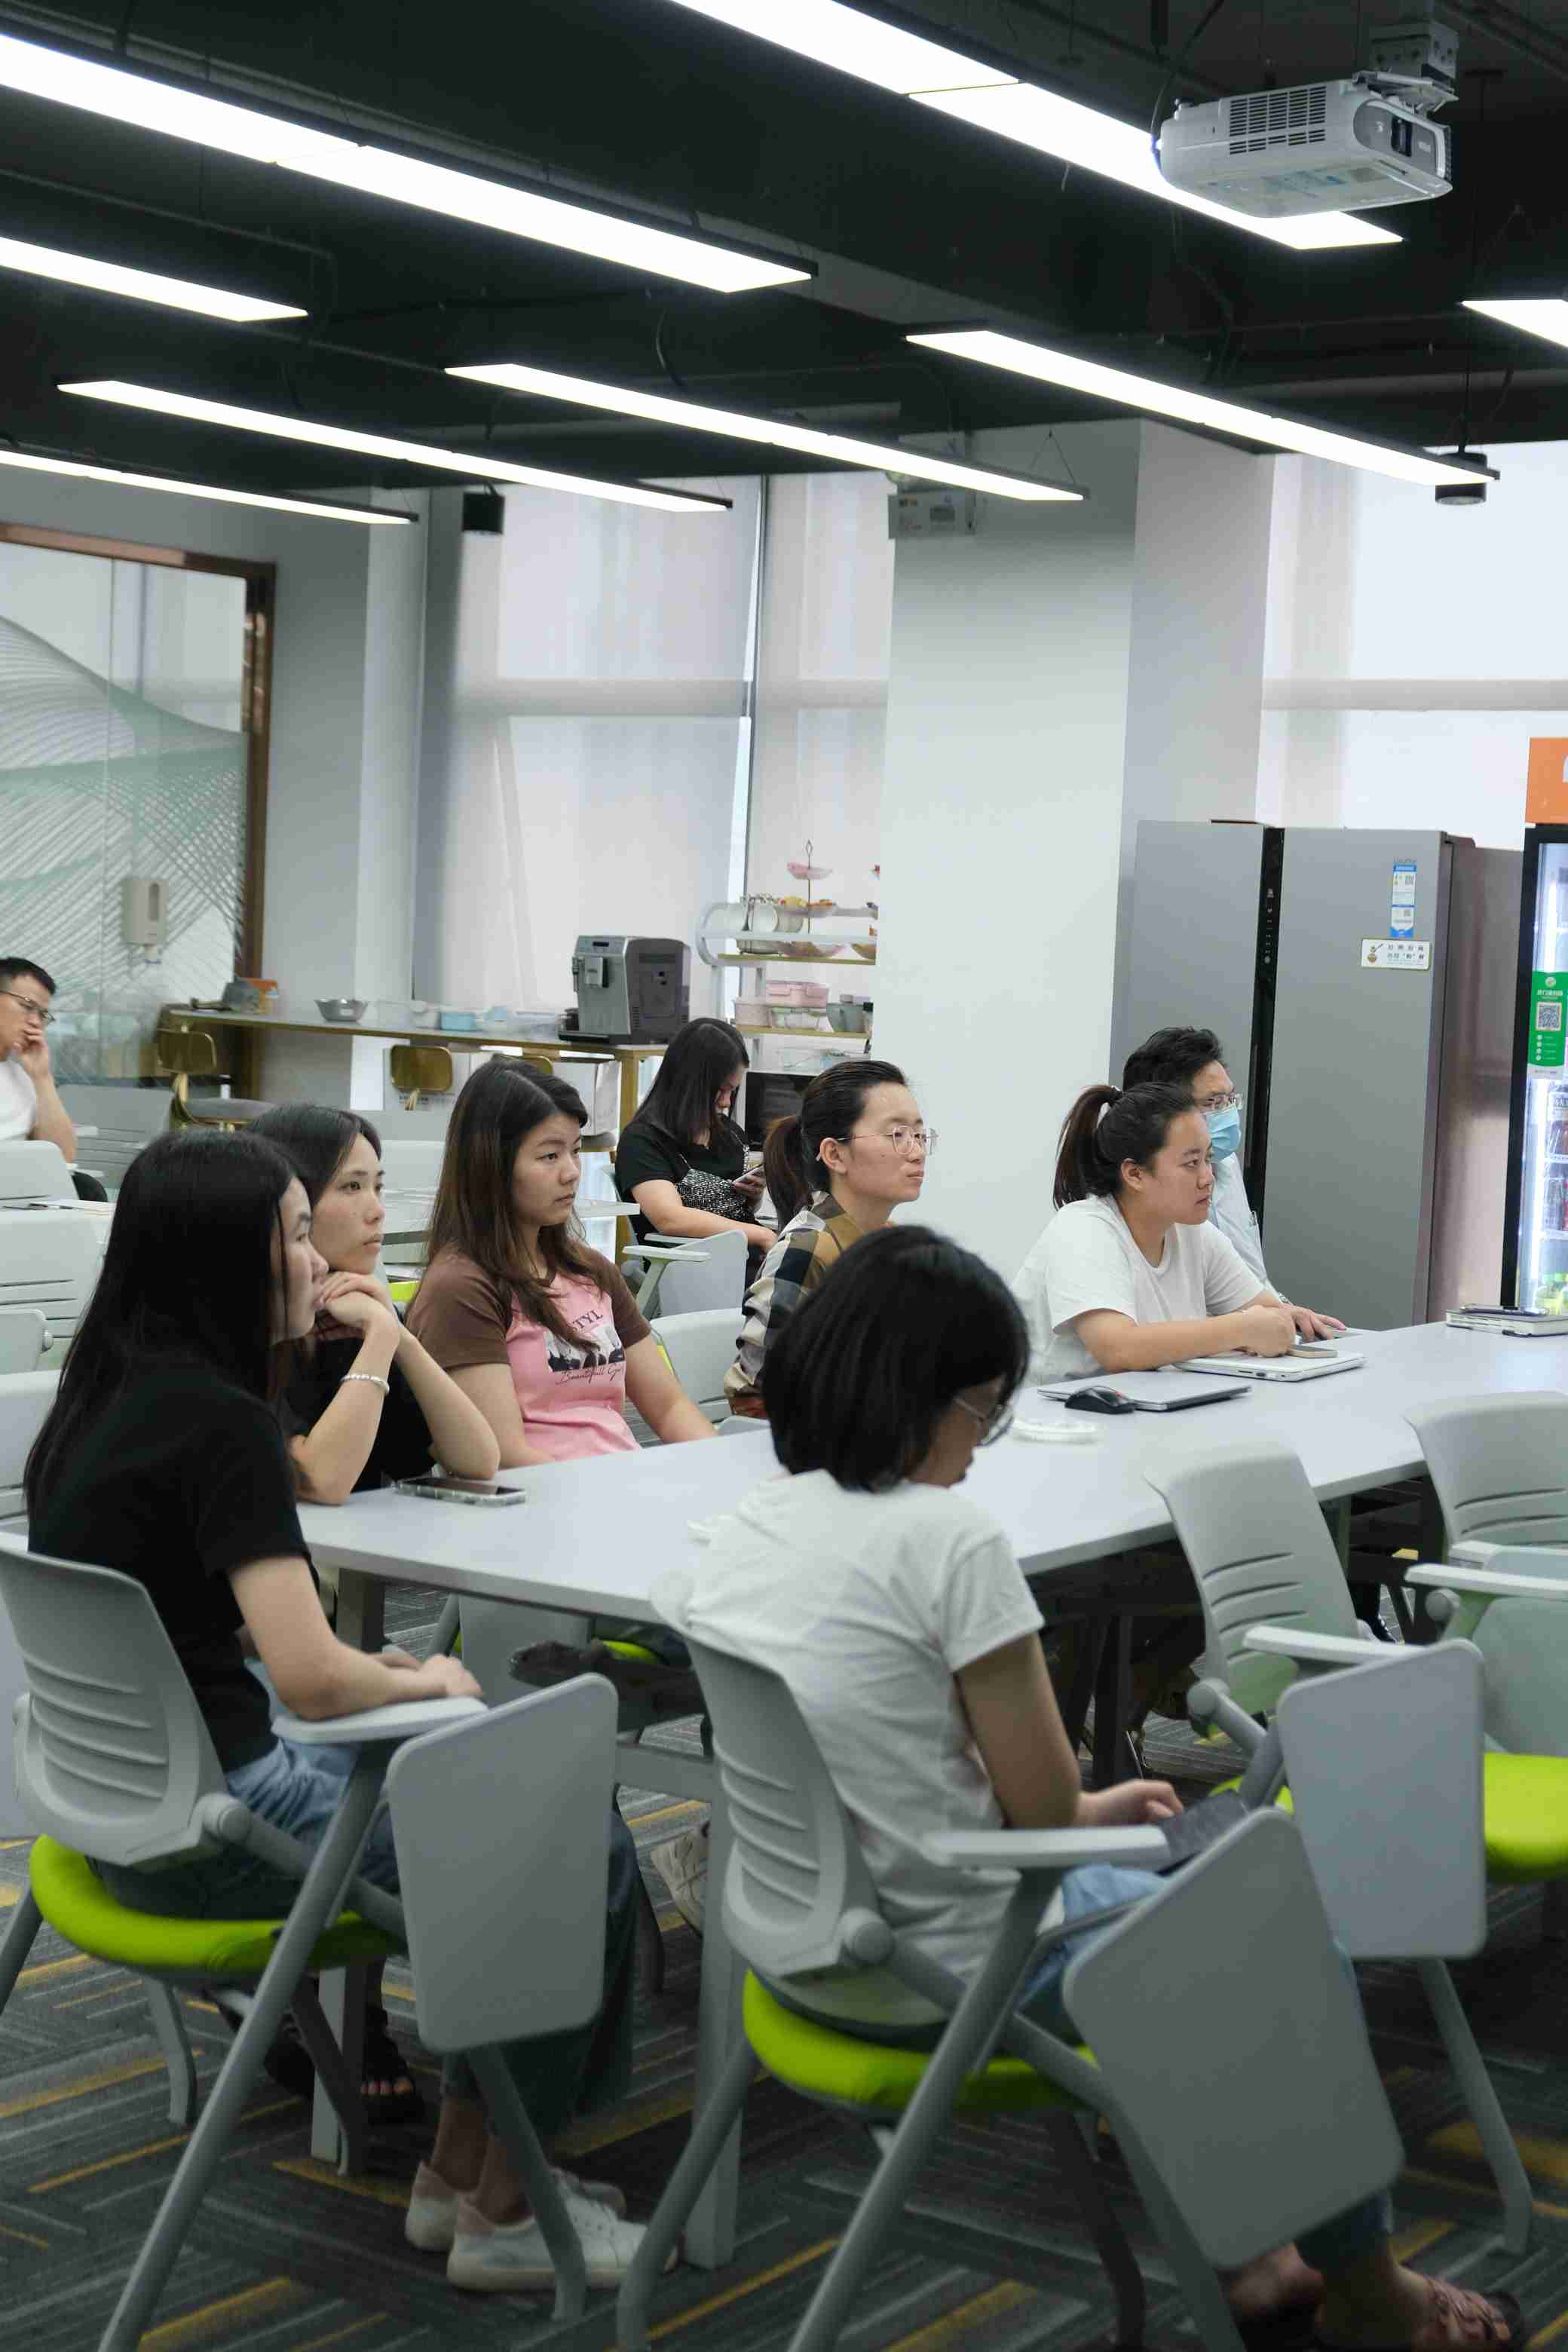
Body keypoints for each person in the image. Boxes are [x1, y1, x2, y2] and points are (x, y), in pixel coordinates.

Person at [653, 1229, 1526, 2352]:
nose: (981, 1449)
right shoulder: (947, 1541)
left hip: (805, 1951)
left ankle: (1259, 2259)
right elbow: (1042, 1807)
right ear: (923, 1398)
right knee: (1288, 1923)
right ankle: (1371, 2295)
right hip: (966, 1960)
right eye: (983, 1414)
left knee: (1220, 1848)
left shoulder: (733, 1535)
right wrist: (1079, 1815)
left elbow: (888, 1765)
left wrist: (1084, 1817)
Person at [24, 1129, 657, 2293]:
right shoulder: (223, 1423)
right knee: (574, 1838)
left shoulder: (94, 1402)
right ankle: (504, 2206)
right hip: (221, 1829)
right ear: (228, 1259)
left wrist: (393, 1690)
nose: (319, 1260)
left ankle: (461, 2175)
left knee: (501, 1787)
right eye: (296, 1235)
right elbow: (314, 1677)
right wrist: (420, 1681)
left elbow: (224, 1646)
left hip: (118, 1814)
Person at [408, 1061, 716, 1465]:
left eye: (575, 1151)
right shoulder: (461, 1287)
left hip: (621, 1482)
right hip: (545, 1495)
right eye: (550, 1156)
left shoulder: (590, 1270)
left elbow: (670, 1407)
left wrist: (720, 1468)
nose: (571, 1173)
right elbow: (505, 1456)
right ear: (491, 1165)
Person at [251, 1104, 498, 1505]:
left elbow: (477, 1460)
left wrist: (397, 1334)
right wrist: (382, 1335)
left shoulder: (353, 1318)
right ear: (291, 1199)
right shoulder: (250, 1329)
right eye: (352, 1187)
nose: (378, 1211)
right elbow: (320, 1480)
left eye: (378, 1188)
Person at [1014, 1083, 1340, 1384]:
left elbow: (1267, 1313)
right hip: (1050, 1420)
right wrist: (1243, 1328)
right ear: (1135, 1174)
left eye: (1208, 1159)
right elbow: (1118, 1350)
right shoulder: (1083, 1229)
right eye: (1191, 1163)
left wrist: (1277, 1322)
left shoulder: (1192, 1231)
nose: (1208, 1177)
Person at [722, 1059, 929, 1419]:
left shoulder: (890, 1242)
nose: (917, 1151)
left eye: (920, 1135)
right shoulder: (806, 1250)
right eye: (897, 1135)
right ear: (834, 1154)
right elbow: (754, 1400)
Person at [613, 1018, 773, 1278]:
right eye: (721, 1090)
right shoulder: (642, 1141)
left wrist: (753, 1198)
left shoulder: (731, 1135)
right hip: (694, 1271)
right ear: (690, 1085)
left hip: (745, 1260)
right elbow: (670, 1220)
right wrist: (762, 1235)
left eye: (733, 1091)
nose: (726, 1102)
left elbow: (736, 1213)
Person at [1121, 1025, 1267, 1285]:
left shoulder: (1227, 1163)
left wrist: (1278, 1303)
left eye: (1230, 1099)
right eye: (1214, 1102)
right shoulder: (1144, 1193)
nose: (1229, 1113)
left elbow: (1251, 1276)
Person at [0, 957, 75, 1162]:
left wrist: (42, 1077)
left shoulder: (24, 1078)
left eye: (42, 1014)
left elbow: (63, 1159)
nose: (35, 1022)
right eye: (27, 1006)